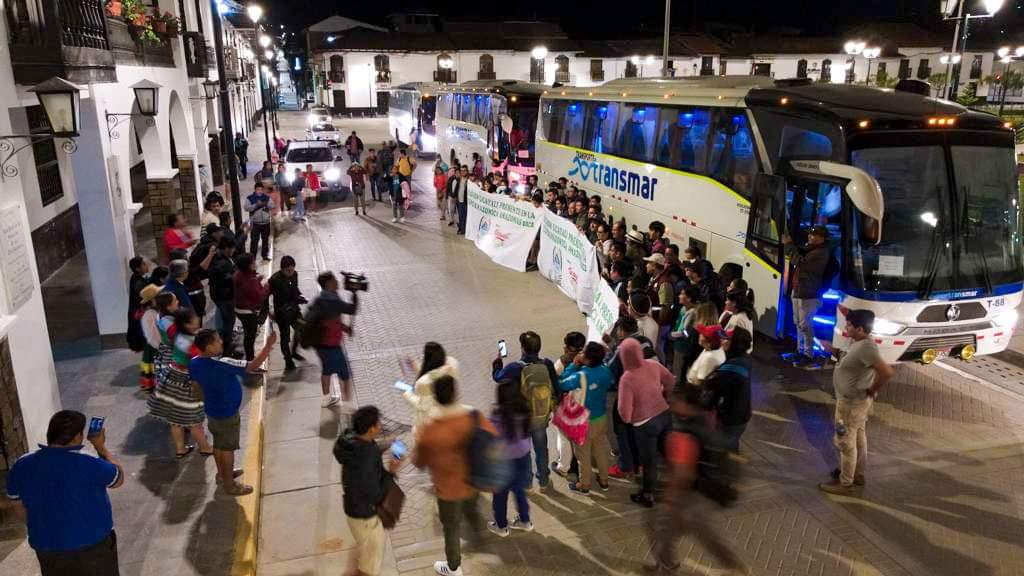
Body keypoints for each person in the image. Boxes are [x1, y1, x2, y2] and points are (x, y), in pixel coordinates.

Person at [4, 410, 124, 576]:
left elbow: (16, 502)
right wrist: (100, 446)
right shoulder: (89, 463)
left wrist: (39, 525)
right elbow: (118, 478)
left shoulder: (23, 464)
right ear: (76, 437)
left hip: (48, 546)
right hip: (93, 546)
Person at [647, 388, 746, 575]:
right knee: (673, 532)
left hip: (692, 495)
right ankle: (666, 566)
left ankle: (735, 568)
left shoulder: (684, 433)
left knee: (696, 533)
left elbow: (683, 473)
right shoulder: (705, 418)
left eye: (675, 400)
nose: (671, 403)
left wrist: (670, 498)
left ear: (685, 404)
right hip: (706, 488)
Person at [413, 375, 495, 576]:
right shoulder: (473, 416)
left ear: (436, 397)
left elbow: (419, 461)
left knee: (451, 527)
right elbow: (492, 439)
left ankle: (453, 567)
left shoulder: (431, 429)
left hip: (447, 489)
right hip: (472, 481)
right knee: (471, 509)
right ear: (456, 393)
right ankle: (479, 535)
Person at [190, 328, 277, 495]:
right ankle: (230, 485)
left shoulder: (194, 363)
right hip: (227, 413)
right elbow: (253, 365)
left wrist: (202, 401)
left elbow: (196, 386)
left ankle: (222, 474)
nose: (221, 342)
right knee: (227, 449)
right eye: (217, 340)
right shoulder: (224, 363)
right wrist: (268, 346)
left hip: (212, 411)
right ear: (209, 347)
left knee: (219, 445)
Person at [819, 309, 894, 495]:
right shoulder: (859, 344)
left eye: (850, 324)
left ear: (860, 329)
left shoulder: (866, 347)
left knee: (846, 441)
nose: (846, 327)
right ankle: (857, 475)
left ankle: (845, 483)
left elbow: (886, 372)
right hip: (854, 403)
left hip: (851, 405)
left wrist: (871, 390)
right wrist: (833, 349)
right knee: (859, 436)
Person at [334, 406, 400, 576]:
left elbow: (366, 450)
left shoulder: (349, 438)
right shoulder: (365, 460)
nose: (380, 426)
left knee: (365, 555)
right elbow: (376, 494)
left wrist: (384, 445)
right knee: (370, 564)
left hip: (352, 505)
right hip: (364, 515)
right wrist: (392, 471)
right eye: (378, 423)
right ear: (371, 429)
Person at [492, 331, 558, 490]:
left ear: (522, 348)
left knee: (525, 450)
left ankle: (527, 482)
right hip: (540, 416)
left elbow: (498, 377)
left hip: (521, 418)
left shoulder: (515, 367)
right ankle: (543, 481)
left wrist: (497, 363)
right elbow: (557, 387)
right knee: (542, 449)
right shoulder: (547, 364)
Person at [147, 308, 214, 458]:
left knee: (175, 418)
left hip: (171, 377)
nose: (197, 319)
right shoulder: (192, 344)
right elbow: (200, 361)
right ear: (187, 324)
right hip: (186, 382)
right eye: (194, 318)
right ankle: (205, 447)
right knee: (194, 418)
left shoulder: (178, 335)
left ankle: (180, 449)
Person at [617, 338, 674, 508]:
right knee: (669, 452)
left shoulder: (627, 378)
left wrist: (629, 419)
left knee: (650, 462)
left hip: (644, 425)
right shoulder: (652, 364)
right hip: (664, 415)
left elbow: (624, 412)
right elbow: (670, 380)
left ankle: (648, 495)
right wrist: (664, 395)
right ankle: (682, 483)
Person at [558, 342, 613, 494]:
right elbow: (609, 383)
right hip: (601, 417)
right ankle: (604, 480)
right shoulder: (606, 371)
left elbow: (561, 383)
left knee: (583, 455)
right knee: (600, 449)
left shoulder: (580, 375)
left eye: (584, 352)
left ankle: (585, 484)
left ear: (588, 360)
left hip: (583, 421)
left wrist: (573, 365)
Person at [487, 380, 535, 538]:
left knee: (500, 496)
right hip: (523, 455)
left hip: (503, 461)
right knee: (519, 490)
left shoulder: (497, 415)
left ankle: (501, 526)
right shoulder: (524, 409)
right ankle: (525, 521)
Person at [308, 272, 358, 407]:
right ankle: (349, 405)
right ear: (328, 283)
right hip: (330, 345)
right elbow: (352, 309)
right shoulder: (332, 300)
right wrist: (354, 292)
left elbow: (331, 321)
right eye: (334, 280)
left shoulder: (321, 298)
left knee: (327, 369)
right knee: (345, 373)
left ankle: (326, 398)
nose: (337, 282)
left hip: (319, 343)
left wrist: (345, 328)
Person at [784, 225, 831, 368]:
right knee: (798, 322)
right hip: (799, 290)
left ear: (822, 238)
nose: (810, 237)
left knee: (806, 325)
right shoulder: (809, 249)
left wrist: (788, 245)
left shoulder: (821, 253)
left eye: (815, 235)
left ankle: (808, 354)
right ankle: (800, 350)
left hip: (809, 294)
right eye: (810, 234)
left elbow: (799, 262)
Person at [703, 327, 753, 453]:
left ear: (736, 343)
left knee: (722, 452)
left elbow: (710, 383)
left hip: (731, 419)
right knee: (730, 449)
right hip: (740, 416)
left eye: (727, 339)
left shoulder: (733, 366)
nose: (722, 341)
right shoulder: (744, 358)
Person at [402, 342, 460, 437]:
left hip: (430, 425)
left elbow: (423, 406)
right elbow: (434, 373)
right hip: (450, 415)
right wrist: (416, 367)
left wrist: (408, 395)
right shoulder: (452, 366)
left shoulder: (423, 383)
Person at [551, 331, 586, 478]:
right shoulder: (589, 359)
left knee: (564, 436)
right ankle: (582, 465)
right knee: (580, 438)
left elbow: (554, 385)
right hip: (585, 404)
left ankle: (564, 467)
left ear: (568, 347)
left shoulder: (561, 364)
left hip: (567, 407)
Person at [269, 255, 307, 371]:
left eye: (292, 269)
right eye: (288, 270)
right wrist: (269, 313)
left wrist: (300, 297)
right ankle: (288, 360)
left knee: (301, 329)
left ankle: (294, 351)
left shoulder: (295, 274)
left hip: (294, 310)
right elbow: (266, 297)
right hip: (282, 314)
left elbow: (295, 289)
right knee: (285, 338)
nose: (291, 272)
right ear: (282, 269)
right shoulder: (274, 280)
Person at [233, 254, 269, 362]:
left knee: (248, 334)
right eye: (253, 262)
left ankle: (249, 357)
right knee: (250, 336)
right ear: (249, 265)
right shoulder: (250, 280)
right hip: (247, 311)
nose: (255, 263)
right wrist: (266, 287)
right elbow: (259, 297)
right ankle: (250, 360)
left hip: (239, 308)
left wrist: (257, 280)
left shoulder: (238, 274)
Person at [208, 237, 238, 354]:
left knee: (226, 320)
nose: (234, 251)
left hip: (220, 295)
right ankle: (227, 348)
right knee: (228, 322)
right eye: (232, 249)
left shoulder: (221, 258)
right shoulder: (222, 263)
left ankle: (226, 344)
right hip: (224, 297)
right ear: (226, 248)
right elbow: (227, 279)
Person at [669, 285, 701, 385]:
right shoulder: (684, 308)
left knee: (678, 368)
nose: (679, 296)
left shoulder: (692, 312)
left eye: (682, 294)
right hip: (678, 343)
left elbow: (685, 332)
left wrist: (672, 335)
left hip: (683, 345)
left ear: (689, 298)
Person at [138, 285, 164, 392]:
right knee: (156, 371)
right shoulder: (150, 315)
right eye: (159, 295)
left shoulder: (155, 312)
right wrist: (161, 347)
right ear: (153, 300)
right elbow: (153, 335)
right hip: (155, 348)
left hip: (157, 346)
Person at [687, 323, 727, 388]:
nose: (699, 335)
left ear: (709, 342)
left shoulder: (709, 358)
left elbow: (699, 382)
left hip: (694, 390)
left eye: (703, 334)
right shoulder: (713, 349)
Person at [245, 181, 274, 261]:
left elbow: (272, 205)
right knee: (254, 241)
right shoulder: (250, 198)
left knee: (265, 240)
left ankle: (264, 256)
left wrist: (265, 204)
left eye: (261, 189)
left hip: (266, 223)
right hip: (255, 223)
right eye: (258, 189)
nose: (260, 191)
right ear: (255, 190)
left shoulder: (266, 197)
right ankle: (252, 258)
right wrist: (256, 205)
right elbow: (246, 208)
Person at [127, 256, 150, 352]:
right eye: (144, 264)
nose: (147, 265)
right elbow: (144, 297)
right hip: (140, 314)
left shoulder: (136, 278)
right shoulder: (138, 283)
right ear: (137, 268)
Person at [454, 166, 470, 234]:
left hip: (466, 202)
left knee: (466, 216)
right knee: (460, 216)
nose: (462, 172)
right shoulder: (458, 180)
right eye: (461, 171)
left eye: (464, 170)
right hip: (459, 201)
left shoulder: (469, 181)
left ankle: (465, 229)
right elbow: (456, 189)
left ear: (467, 171)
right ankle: (461, 229)